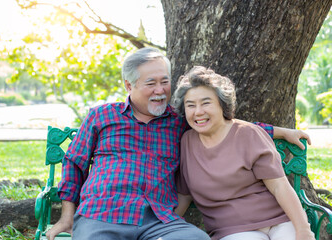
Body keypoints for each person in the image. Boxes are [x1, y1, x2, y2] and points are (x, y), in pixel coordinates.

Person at [46, 48, 311, 240]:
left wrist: (279, 131)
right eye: (151, 83)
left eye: (165, 82)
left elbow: (222, 124)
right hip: (104, 214)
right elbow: (74, 163)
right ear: (128, 85)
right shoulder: (102, 116)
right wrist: (66, 218)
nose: (160, 90)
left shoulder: (178, 122)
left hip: (160, 220)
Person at [172, 66, 315, 240]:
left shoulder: (248, 133)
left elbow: (280, 186)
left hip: (279, 222)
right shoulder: (186, 143)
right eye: (190, 105)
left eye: (206, 103)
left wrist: (303, 230)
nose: (198, 111)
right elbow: (184, 196)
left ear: (221, 104)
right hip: (233, 231)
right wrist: (165, 228)